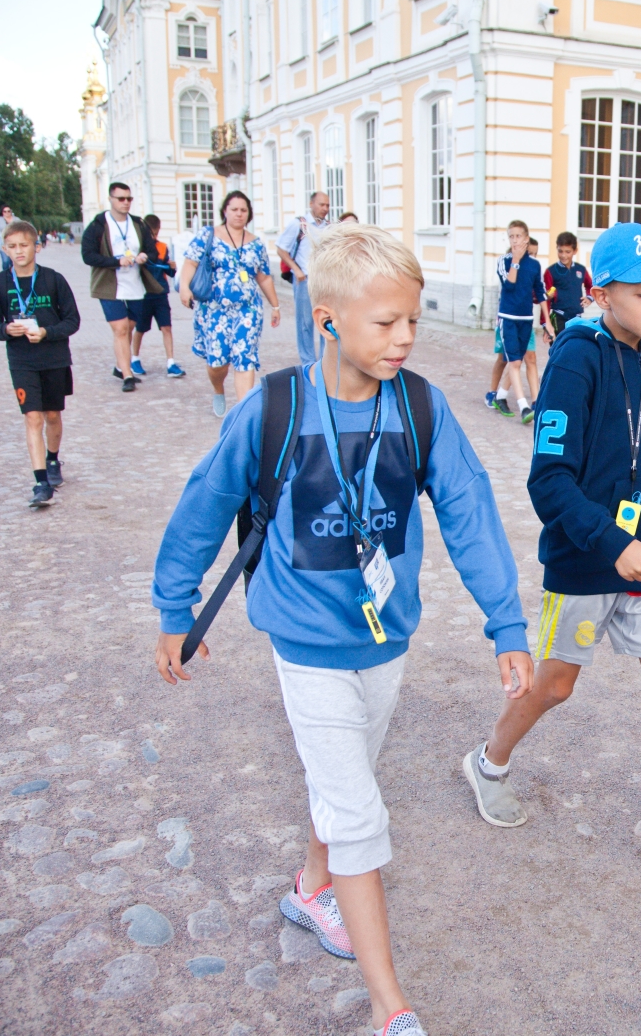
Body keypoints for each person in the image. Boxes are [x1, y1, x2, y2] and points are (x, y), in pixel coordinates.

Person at [153, 225, 531, 1036]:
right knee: (359, 811)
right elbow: (203, 504)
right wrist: (174, 607)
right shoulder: (273, 409)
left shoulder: (421, 407)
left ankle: (309, 886)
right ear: (327, 322)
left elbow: (469, 512)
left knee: (348, 772)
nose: (404, 339)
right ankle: (392, 1008)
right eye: (386, 323)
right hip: (305, 644)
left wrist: (507, 623)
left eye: (413, 322)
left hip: (386, 639)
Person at [462, 222, 641, 913]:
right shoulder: (575, 360)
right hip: (587, 559)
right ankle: (488, 761)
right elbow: (549, 481)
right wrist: (611, 543)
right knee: (556, 685)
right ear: (601, 293)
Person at [0, 220, 81, 509]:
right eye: (12, 247)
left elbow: (73, 321)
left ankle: (53, 459)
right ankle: (41, 483)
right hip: (21, 361)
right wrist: (5, 331)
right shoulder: (0, 284)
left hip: (54, 358)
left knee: (52, 415)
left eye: (24, 245)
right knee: (32, 417)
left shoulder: (53, 279)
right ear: (5, 249)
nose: (19, 252)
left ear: (36, 247)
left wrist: (46, 332)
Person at [179, 190, 281, 417]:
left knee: (244, 358)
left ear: (249, 214)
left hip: (248, 309)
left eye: (243, 210)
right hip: (214, 309)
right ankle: (218, 389)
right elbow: (190, 263)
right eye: (234, 209)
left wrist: (275, 306)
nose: (239, 214)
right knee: (218, 362)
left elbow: (263, 276)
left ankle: (243, 413)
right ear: (225, 210)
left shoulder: (256, 244)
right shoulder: (208, 235)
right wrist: (184, 287)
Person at [81, 182, 163, 392]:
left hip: (135, 284)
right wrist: (117, 261)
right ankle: (127, 375)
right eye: (121, 199)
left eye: (129, 198)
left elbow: (152, 250)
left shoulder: (138, 224)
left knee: (129, 327)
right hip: (109, 285)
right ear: (111, 199)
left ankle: (120, 365)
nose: (126, 203)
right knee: (120, 328)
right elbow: (88, 256)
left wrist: (145, 255)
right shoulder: (98, 225)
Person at [490, 221, 547, 423]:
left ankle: (502, 396)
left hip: (526, 319)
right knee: (511, 361)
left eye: (518, 236)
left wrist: (546, 321)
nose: (515, 240)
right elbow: (510, 284)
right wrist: (515, 260)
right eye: (511, 236)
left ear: (526, 238)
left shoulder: (533, 265)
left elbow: (540, 293)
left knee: (523, 359)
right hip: (507, 318)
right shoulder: (503, 261)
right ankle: (524, 406)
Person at [276, 191, 331, 366]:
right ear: (311, 204)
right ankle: (308, 361)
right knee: (305, 322)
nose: (325, 209)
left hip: (324, 280)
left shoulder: (328, 226)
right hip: (305, 280)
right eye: (322, 205)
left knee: (326, 320)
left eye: (328, 205)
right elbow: (281, 249)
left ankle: (324, 359)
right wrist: (296, 270)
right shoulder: (299, 225)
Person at [131, 214, 186, 378]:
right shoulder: (138, 248)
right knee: (140, 328)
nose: (153, 237)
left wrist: (172, 267)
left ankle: (170, 362)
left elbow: (167, 270)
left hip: (161, 294)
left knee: (166, 328)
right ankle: (135, 359)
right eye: (150, 234)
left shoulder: (162, 247)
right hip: (143, 294)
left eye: (155, 234)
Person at [544, 231, 594, 333]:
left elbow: (591, 286)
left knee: (575, 347)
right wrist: (546, 323)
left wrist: (590, 298)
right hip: (558, 317)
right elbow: (544, 299)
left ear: (575, 251)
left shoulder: (581, 269)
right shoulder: (550, 271)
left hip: (577, 318)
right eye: (560, 251)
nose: (563, 255)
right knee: (558, 347)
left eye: (567, 252)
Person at [0, 206, 20, 271]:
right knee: (5, 261)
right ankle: (5, 273)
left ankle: (12, 273)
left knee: (13, 260)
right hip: (3, 243)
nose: (7, 213)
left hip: (14, 243)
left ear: (11, 211)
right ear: (2, 212)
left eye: (8, 211)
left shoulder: (16, 219)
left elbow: (21, 229)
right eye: (4, 211)